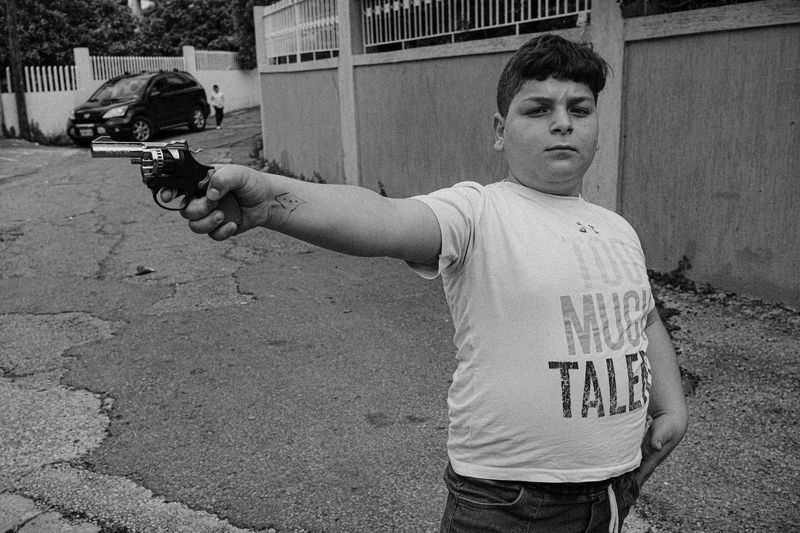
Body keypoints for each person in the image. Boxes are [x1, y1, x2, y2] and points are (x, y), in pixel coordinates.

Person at [171, 34, 688, 532]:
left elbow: (641, 315)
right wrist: (274, 201)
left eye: (580, 109)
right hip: (510, 499)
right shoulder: (479, 211)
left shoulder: (617, 228)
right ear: (499, 129)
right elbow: (386, 219)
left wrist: (670, 405)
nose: (562, 124)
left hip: (614, 486)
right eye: (538, 109)